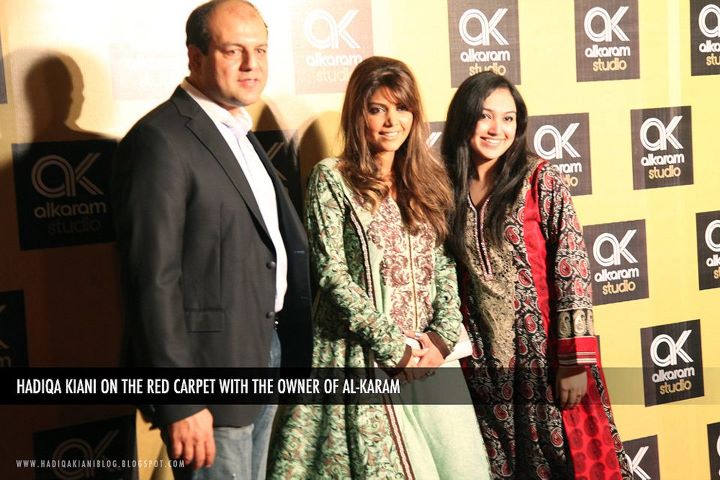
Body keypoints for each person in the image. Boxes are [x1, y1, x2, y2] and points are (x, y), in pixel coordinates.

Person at [111, 1, 312, 478]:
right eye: (233, 51)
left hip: (265, 349)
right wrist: (180, 399)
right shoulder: (160, 139)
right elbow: (152, 280)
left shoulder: (236, 131)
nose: (251, 65)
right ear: (195, 57)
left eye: (260, 50)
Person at [268, 56, 490, 479]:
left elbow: (443, 265)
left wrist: (442, 338)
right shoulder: (332, 178)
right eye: (377, 109)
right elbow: (332, 273)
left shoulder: (428, 179)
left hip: (429, 357)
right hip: (361, 355)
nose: (392, 121)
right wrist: (394, 346)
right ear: (358, 114)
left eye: (402, 108)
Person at [441, 71, 632, 479]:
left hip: (546, 359)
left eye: (508, 118)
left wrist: (573, 362)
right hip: (483, 367)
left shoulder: (540, 180)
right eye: (485, 116)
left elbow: (573, 269)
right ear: (464, 118)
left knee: (567, 460)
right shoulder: (446, 191)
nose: (497, 129)